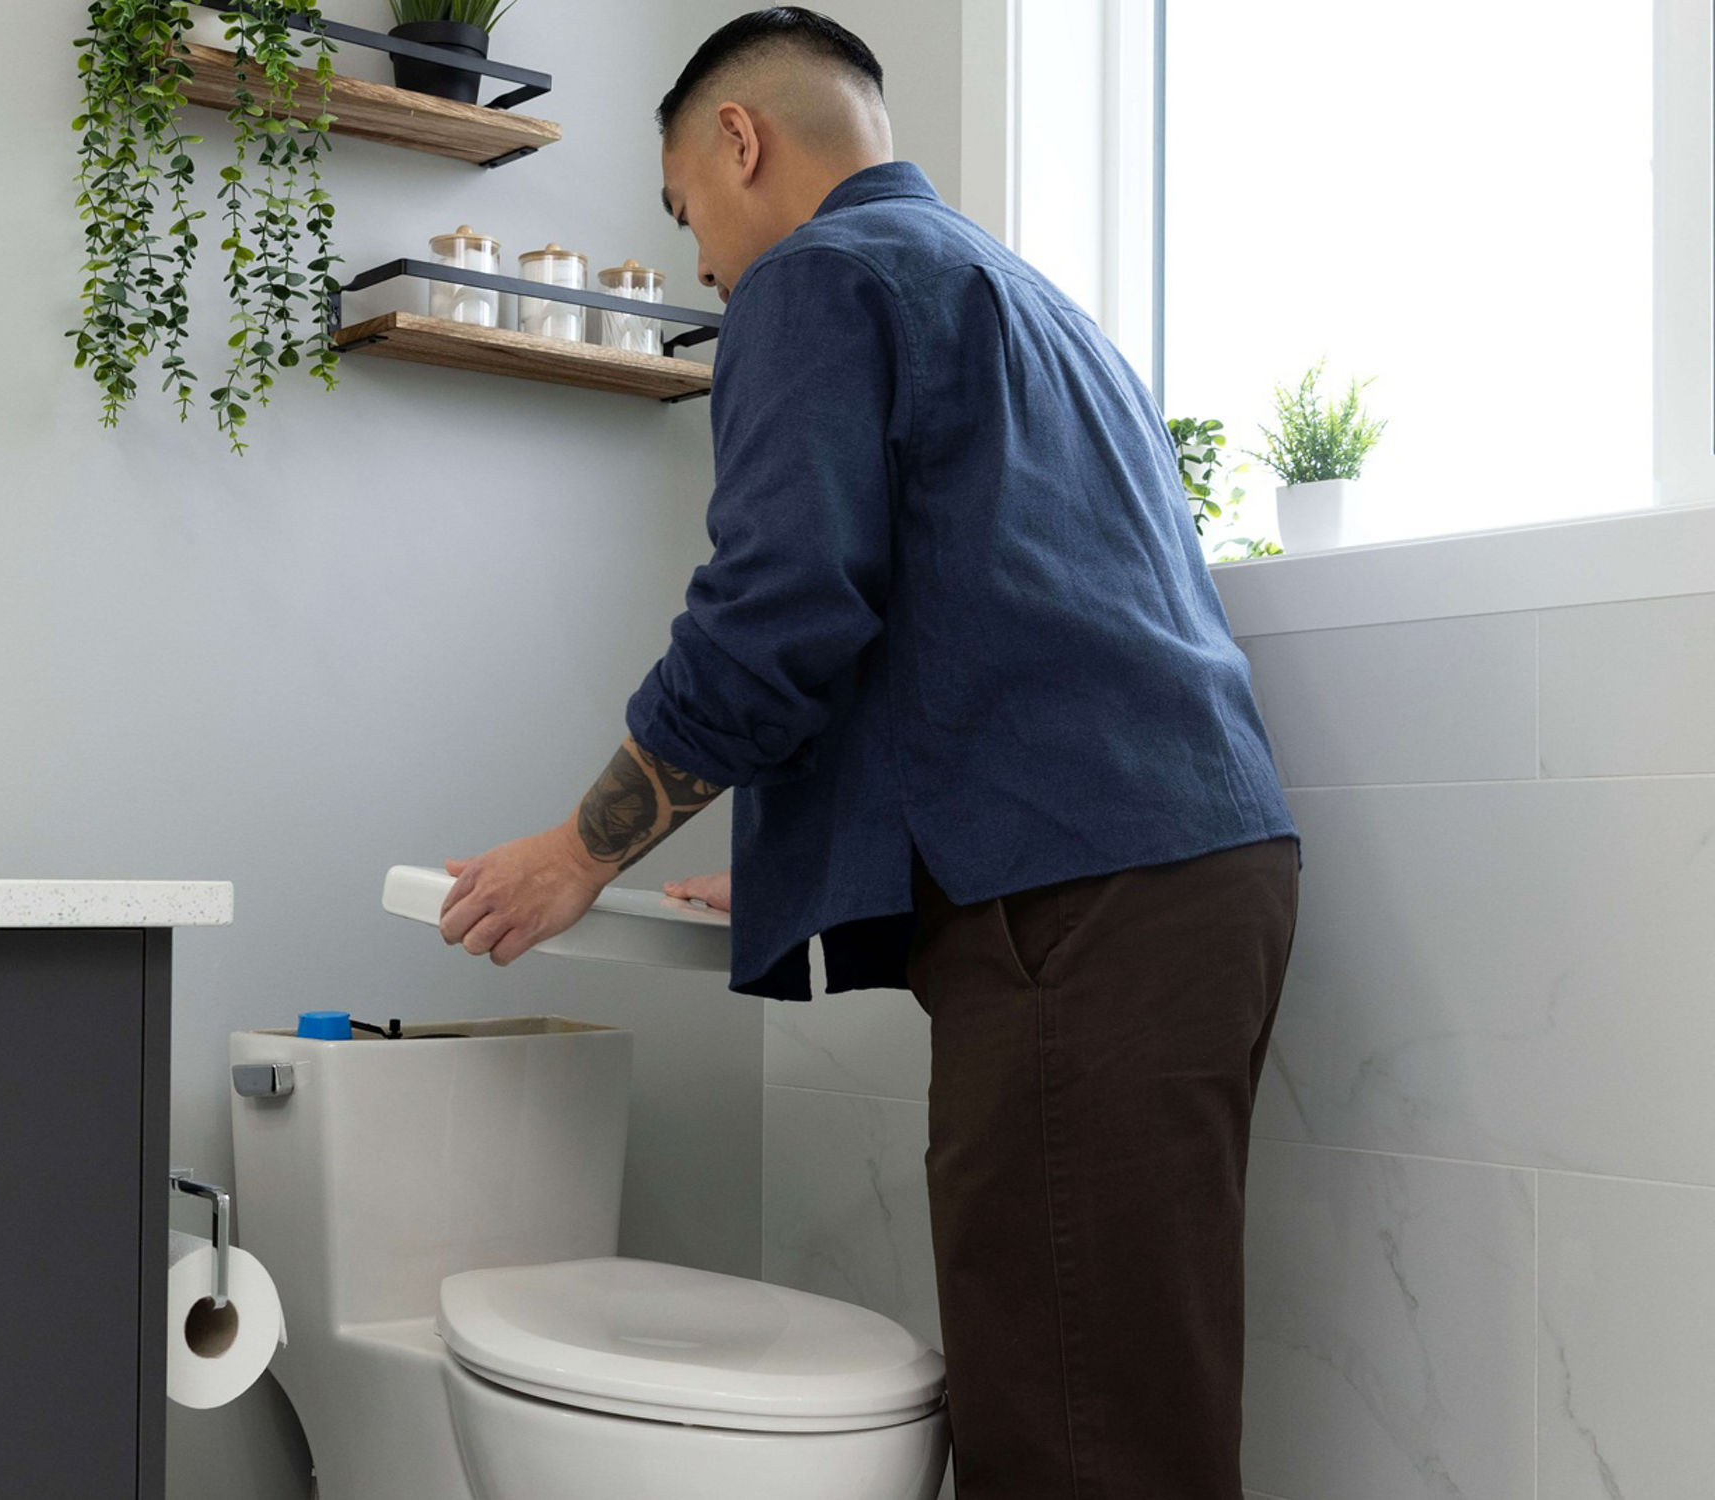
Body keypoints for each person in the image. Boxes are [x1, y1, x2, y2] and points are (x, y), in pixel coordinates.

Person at [434, 9, 1299, 1497]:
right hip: (1194, 872)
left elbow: (779, 610)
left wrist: (582, 849)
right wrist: (810, 855)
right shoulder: (1030, 301)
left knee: (1070, 1433)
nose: (706, 259)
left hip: (1077, 906)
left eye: (684, 210)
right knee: (1132, 1395)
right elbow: (996, 619)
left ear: (740, 141)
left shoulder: (813, 279)